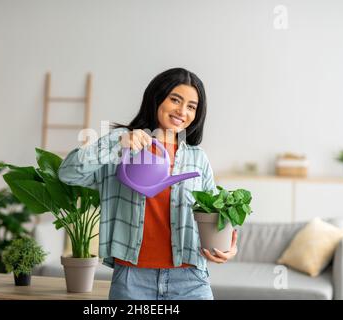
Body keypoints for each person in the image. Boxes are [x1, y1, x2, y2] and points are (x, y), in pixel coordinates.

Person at [58, 67, 238, 300]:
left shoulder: (197, 157)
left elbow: (215, 212)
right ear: (156, 98)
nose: (182, 111)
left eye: (191, 106)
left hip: (191, 280)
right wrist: (116, 144)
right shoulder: (122, 145)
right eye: (175, 99)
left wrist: (228, 247)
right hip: (132, 280)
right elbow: (67, 173)